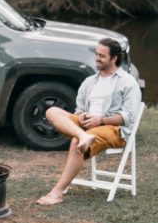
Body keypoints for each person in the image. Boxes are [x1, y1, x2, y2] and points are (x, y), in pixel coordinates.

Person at [36, 38, 141, 205]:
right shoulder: (89, 81)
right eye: (96, 54)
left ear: (114, 58)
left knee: (76, 142)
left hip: (114, 129)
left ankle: (57, 193)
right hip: (87, 127)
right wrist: (82, 116)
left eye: (102, 56)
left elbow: (128, 117)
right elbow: (79, 109)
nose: (97, 58)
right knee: (51, 111)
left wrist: (100, 120)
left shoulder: (127, 82)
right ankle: (83, 136)